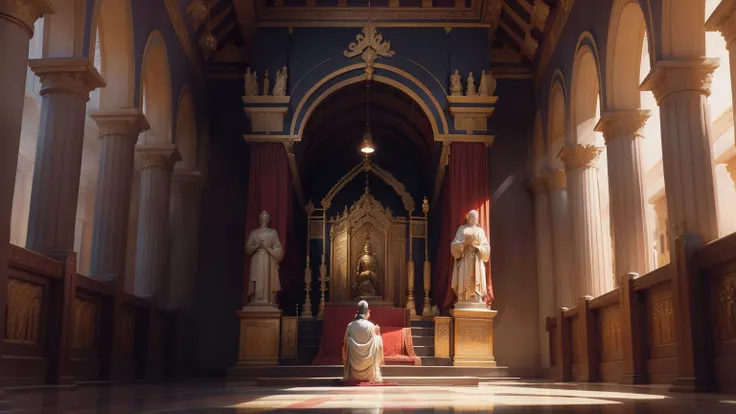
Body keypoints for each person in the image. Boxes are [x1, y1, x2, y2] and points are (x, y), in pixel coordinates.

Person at [342, 300, 384, 383]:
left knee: (349, 341)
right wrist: (378, 334)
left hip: (353, 372)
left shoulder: (350, 326)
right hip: (369, 372)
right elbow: (376, 345)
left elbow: (345, 343)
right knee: (377, 339)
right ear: (366, 311)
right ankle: (375, 373)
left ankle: (348, 372)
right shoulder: (371, 326)